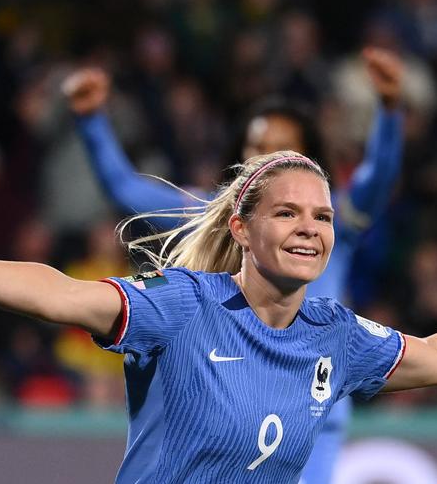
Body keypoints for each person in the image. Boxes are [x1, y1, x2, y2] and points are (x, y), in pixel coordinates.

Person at [0, 151, 437, 483]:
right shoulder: (183, 305)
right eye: (288, 213)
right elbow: (63, 293)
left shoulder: (335, 335)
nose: (310, 228)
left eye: (323, 217)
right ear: (242, 230)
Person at [63, 47, 404, 483]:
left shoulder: (330, 220)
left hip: (311, 414)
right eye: (254, 146)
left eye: (278, 149)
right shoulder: (215, 216)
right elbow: (124, 187)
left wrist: (391, 112)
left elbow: (378, 177)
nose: (263, 158)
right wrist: (91, 120)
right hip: (234, 410)